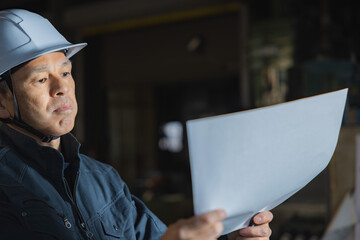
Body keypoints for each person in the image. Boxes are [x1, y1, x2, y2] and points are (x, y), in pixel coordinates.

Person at [0, 9, 273, 240]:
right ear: (2, 102)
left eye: (65, 72)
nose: (62, 88)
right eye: (41, 80)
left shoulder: (102, 178)